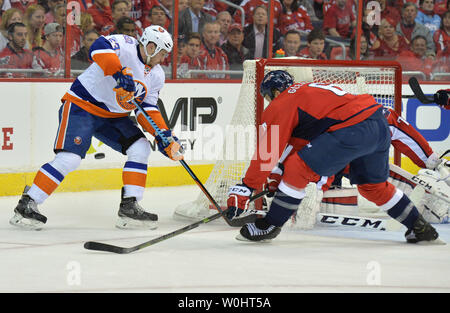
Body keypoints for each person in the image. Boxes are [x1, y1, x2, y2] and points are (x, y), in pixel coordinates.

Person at [226, 70, 441, 244]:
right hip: (377, 126)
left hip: (351, 131)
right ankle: (419, 226)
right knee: (373, 187)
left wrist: (247, 186)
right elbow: (300, 144)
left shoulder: (282, 102)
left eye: (267, 97)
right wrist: (276, 176)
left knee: (297, 168)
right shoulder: (313, 95)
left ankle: (269, 225)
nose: (268, 102)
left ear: (274, 92)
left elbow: (268, 151)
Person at [9, 25, 184, 231]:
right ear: (152, 46)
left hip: (114, 116)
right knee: (70, 159)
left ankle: (130, 206)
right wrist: (118, 73)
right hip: (82, 106)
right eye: (162, 53)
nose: (163, 58)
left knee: (141, 147)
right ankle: (27, 203)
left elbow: (147, 108)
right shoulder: (126, 45)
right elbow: (98, 47)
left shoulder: (156, 75)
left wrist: (163, 134)